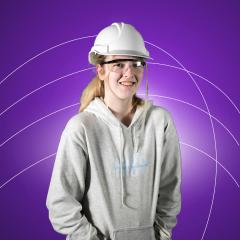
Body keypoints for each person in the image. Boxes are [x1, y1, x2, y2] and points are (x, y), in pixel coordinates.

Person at [46, 22, 182, 240]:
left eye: (136, 63)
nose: (129, 73)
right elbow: (60, 205)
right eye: (118, 64)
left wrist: (162, 235)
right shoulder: (81, 127)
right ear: (101, 70)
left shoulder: (160, 122)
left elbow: (169, 192)